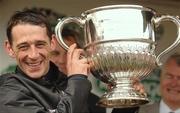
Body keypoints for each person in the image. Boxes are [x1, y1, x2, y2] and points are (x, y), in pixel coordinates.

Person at [0, 9, 91, 113]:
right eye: (24, 47)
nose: (33, 55)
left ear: (52, 43)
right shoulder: (8, 93)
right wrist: (78, 80)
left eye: (40, 44)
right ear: (10, 49)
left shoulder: (68, 83)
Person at [50, 28, 106, 113]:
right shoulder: (35, 92)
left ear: (82, 55)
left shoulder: (95, 102)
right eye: (55, 53)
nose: (61, 60)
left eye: (69, 53)